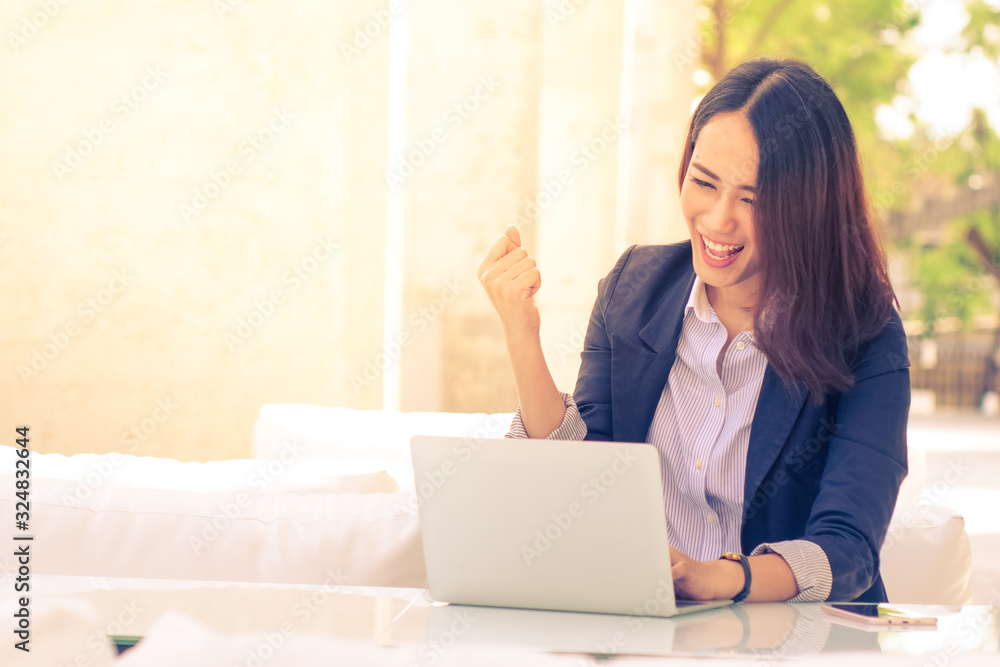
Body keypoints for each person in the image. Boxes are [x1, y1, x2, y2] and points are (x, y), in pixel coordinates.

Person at [477, 57, 910, 604]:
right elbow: (587, 477)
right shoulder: (634, 289)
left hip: (794, 640)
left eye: (753, 199)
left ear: (810, 206)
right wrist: (522, 335)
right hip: (646, 630)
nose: (718, 219)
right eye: (704, 182)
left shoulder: (864, 330)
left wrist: (724, 578)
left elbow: (848, 550)